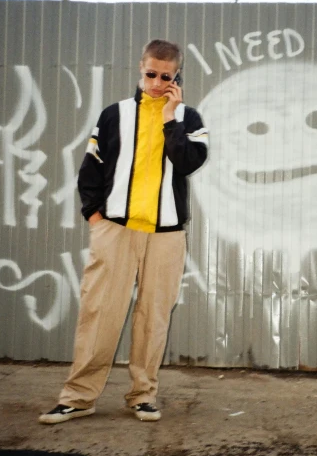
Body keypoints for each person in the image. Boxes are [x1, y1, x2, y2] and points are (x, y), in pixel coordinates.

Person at [39, 39, 208, 424]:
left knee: (154, 318)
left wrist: (170, 118)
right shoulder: (114, 115)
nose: (156, 82)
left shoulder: (190, 119)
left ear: (176, 76)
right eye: (151, 74)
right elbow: (91, 167)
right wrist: (94, 219)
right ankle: (78, 397)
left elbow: (187, 163)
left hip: (166, 237)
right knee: (99, 314)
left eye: (166, 77)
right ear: (141, 68)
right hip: (115, 230)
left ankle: (143, 396)